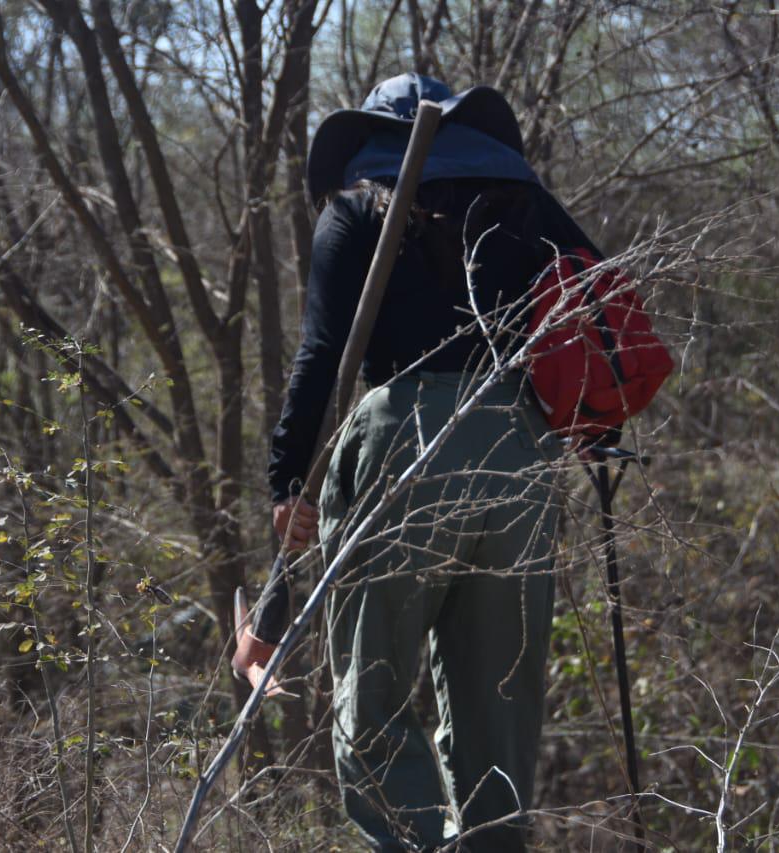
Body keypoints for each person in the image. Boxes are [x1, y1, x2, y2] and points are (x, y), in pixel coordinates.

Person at [267, 73, 600, 852]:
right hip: (516, 450)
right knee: (499, 703)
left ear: (369, 137)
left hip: (400, 450)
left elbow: (322, 356)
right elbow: (598, 301)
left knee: (371, 694)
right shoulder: (521, 204)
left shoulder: (355, 208)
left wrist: (287, 478)